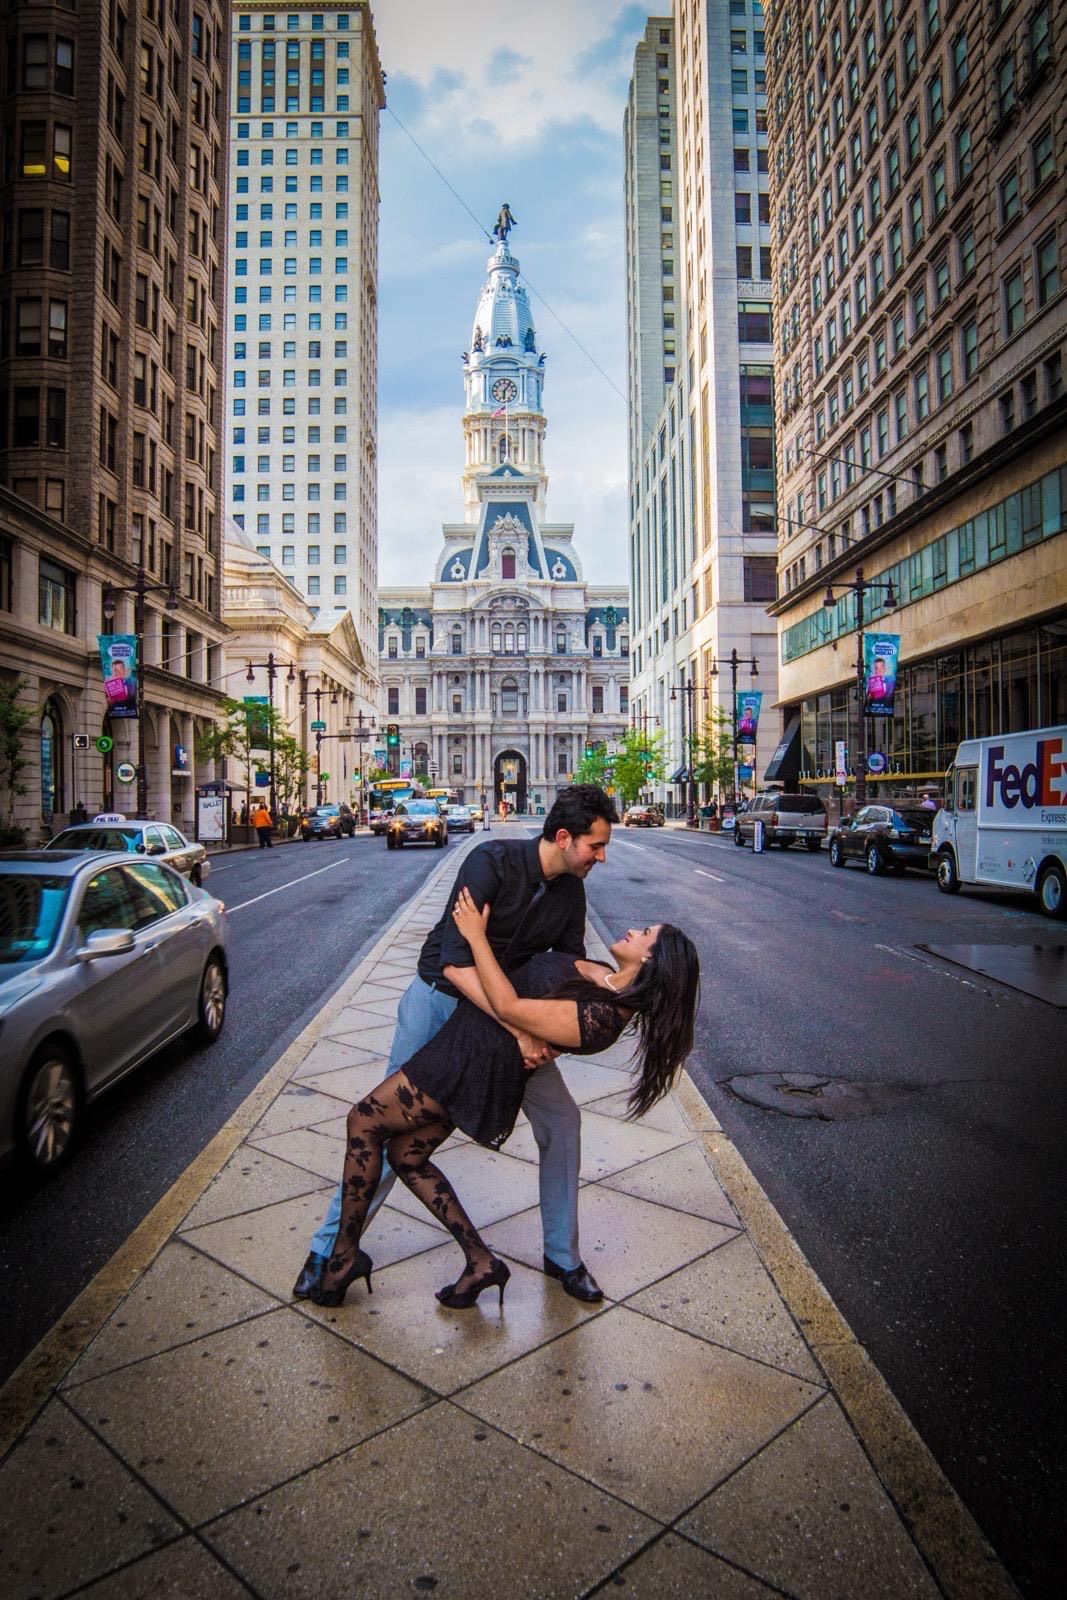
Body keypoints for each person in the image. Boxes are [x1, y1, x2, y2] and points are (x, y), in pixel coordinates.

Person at [293, 784, 619, 1305]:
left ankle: (563, 1255)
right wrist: (521, 1029)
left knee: (562, 1122)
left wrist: (555, 1032)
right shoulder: (490, 861)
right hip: (441, 1002)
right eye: (595, 846)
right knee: (384, 1126)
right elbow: (454, 963)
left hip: (505, 1019)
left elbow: (565, 970)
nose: (601, 857)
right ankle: (328, 1249)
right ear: (564, 838)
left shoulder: (570, 894)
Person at [309, 890, 699, 1309]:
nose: (632, 930)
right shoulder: (601, 975)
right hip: (464, 1045)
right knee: (406, 1156)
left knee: (363, 1121)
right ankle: (481, 1263)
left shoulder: (603, 1019)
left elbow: (509, 1006)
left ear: (650, 959)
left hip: (472, 1065)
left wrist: (475, 935)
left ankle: (342, 1258)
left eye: (644, 933)